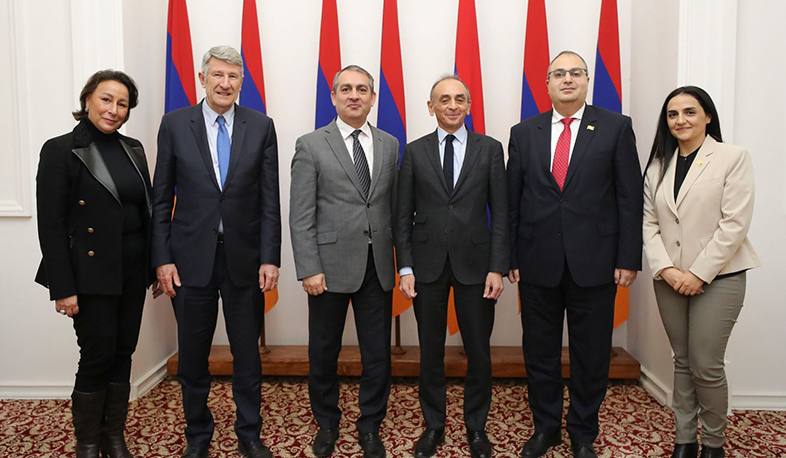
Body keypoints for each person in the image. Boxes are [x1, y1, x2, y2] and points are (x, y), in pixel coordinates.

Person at [507, 51, 643, 458]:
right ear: (546, 83)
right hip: (536, 262)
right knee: (541, 353)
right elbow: (512, 201)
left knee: (591, 354)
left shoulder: (616, 127)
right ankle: (545, 428)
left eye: (575, 73)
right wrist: (510, 256)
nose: (567, 79)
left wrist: (628, 257)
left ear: (587, 81)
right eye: (558, 74)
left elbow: (629, 197)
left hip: (597, 262)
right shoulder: (523, 131)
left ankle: (583, 432)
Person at [151, 46, 281, 458]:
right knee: (192, 357)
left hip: (245, 258)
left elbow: (269, 200)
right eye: (218, 75)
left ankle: (249, 433)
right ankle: (198, 435)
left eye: (234, 76)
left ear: (242, 82)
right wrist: (162, 259)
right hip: (188, 259)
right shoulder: (174, 125)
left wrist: (270, 257)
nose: (226, 83)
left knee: (248, 355)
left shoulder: (261, 126)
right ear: (202, 78)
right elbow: (159, 201)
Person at [35, 70, 158, 458]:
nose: (114, 110)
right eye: (106, 99)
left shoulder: (133, 148)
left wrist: (156, 266)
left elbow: (147, 210)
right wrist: (63, 287)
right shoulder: (59, 149)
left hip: (133, 270)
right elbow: (51, 226)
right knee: (97, 355)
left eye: (122, 104)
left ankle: (113, 435)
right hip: (89, 275)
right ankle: (88, 441)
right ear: (87, 98)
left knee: (124, 353)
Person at [643, 86, 760, 458]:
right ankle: (685, 440)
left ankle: (712, 443)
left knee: (706, 364)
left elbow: (734, 224)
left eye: (690, 112)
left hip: (719, 278)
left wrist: (697, 273)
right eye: (673, 114)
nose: (681, 120)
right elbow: (648, 223)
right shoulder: (659, 165)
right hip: (670, 280)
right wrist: (666, 269)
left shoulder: (732, 157)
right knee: (682, 360)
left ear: (708, 116)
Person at [395, 75, 508, 458]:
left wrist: (498, 267)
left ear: (469, 106)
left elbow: (503, 214)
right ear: (432, 107)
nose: (453, 105)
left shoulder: (490, 150)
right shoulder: (413, 152)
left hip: (478, 267)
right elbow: (401, 215)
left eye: (460, 99)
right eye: (444, 99)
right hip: (426, 267)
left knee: (478, 351)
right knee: (431, 351)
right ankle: (434, 426)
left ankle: (476, 428)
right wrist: (405, 267)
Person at [290, 65, 399, 458]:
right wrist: (308, 268)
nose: (355, 95)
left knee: (377, 355)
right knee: (323, 351)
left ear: (372, 98)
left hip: (377, 267)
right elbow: (301, 214)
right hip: (328, 267)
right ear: (334, 97)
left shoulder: (389, 143)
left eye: (363, 89)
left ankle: (370, 425)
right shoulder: (311, 144)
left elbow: (391, 207)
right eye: (346, 89)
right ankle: (328, 422)